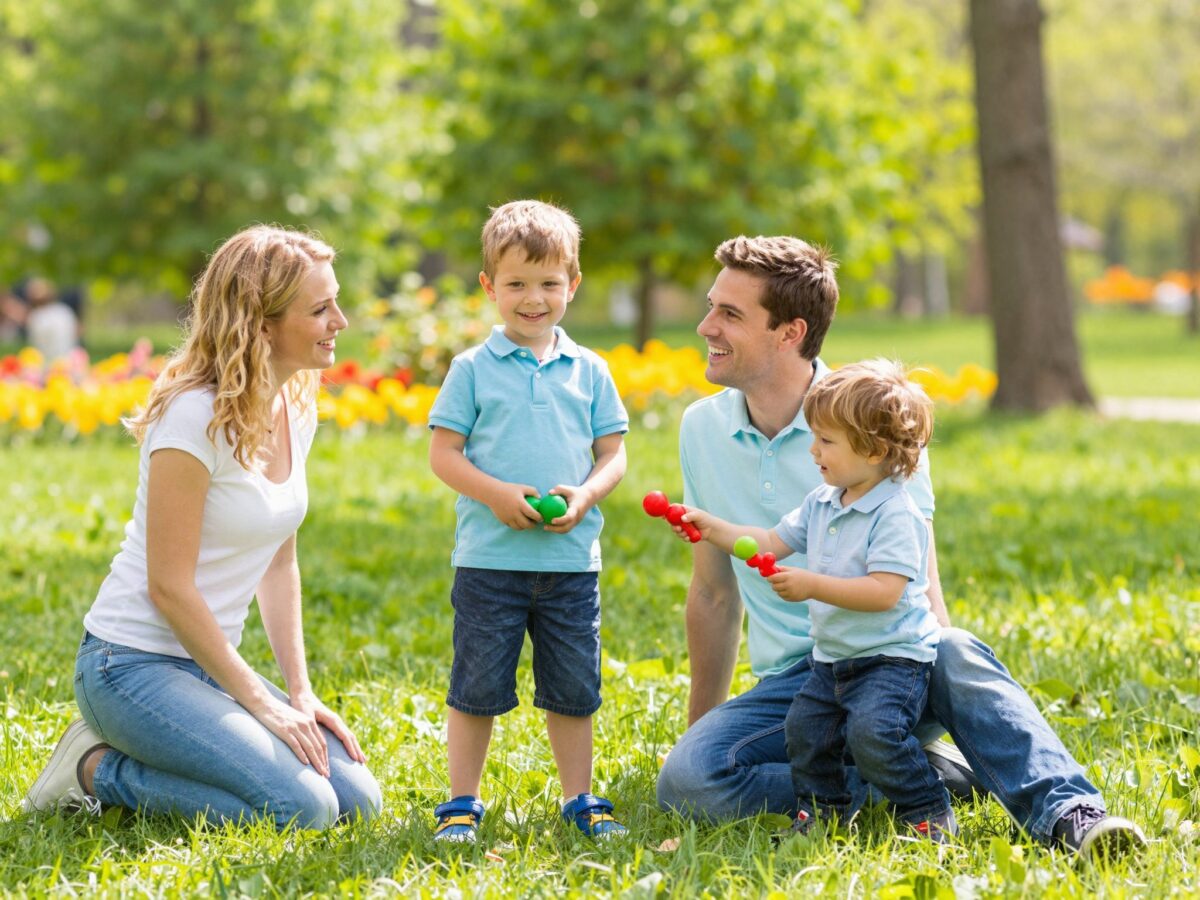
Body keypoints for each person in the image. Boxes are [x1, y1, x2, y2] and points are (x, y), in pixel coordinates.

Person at [656, 235, 1145, 858]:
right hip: (796, 684)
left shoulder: (875, 421)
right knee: (690, 782)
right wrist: (702, 735)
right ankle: (913, 777)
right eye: (710, 306)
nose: (705, 326)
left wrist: (929, 672)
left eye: (730, 314)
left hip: (891, 659)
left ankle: (1070, 814)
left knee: (953, 647)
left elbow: (920, 582)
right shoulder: (702, 428)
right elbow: (712, 592)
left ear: (789, 332)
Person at [20, 225, 382, 831]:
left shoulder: (294, 405)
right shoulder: (192, 417)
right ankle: (92, 767)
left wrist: (299, 693)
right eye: (320, 309)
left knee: (358, 800)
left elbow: (279, 560)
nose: (340, 320)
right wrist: (259, 701)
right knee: (306, 808)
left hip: (205, 666)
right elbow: (169, 587)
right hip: (128, 666)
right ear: (261, 324)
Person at [678, 359, 954, 841]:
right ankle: (823, 811)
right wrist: (712, 527)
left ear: (873, 449)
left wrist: (811, 585)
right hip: (833, 663)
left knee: (874, 733)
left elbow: (885, 593)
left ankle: (927, 807)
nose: (813, 450)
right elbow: (767, 541)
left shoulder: (895, 512)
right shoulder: (823, 502)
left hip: (889, 663)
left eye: (826, 441)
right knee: (806, 731)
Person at [427, 200, 629, 842]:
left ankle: (580, 797)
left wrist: (586, 497)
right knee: (477, 684)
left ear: (572, 284)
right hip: (489, 561)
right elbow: (444, 454)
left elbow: (613, 455)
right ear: (489, 287)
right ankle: (462, 800)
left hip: (570, 565)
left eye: (548, 283)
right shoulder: (472, 369)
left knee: (573, 687)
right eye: (516, 283)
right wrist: (493, 495)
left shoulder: (590, 370)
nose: (532, 298)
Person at [23, 277, 80, 362]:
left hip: (48, 364)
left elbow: (37, 347)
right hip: (70, 361)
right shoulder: (65, 311)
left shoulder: (37, 317)